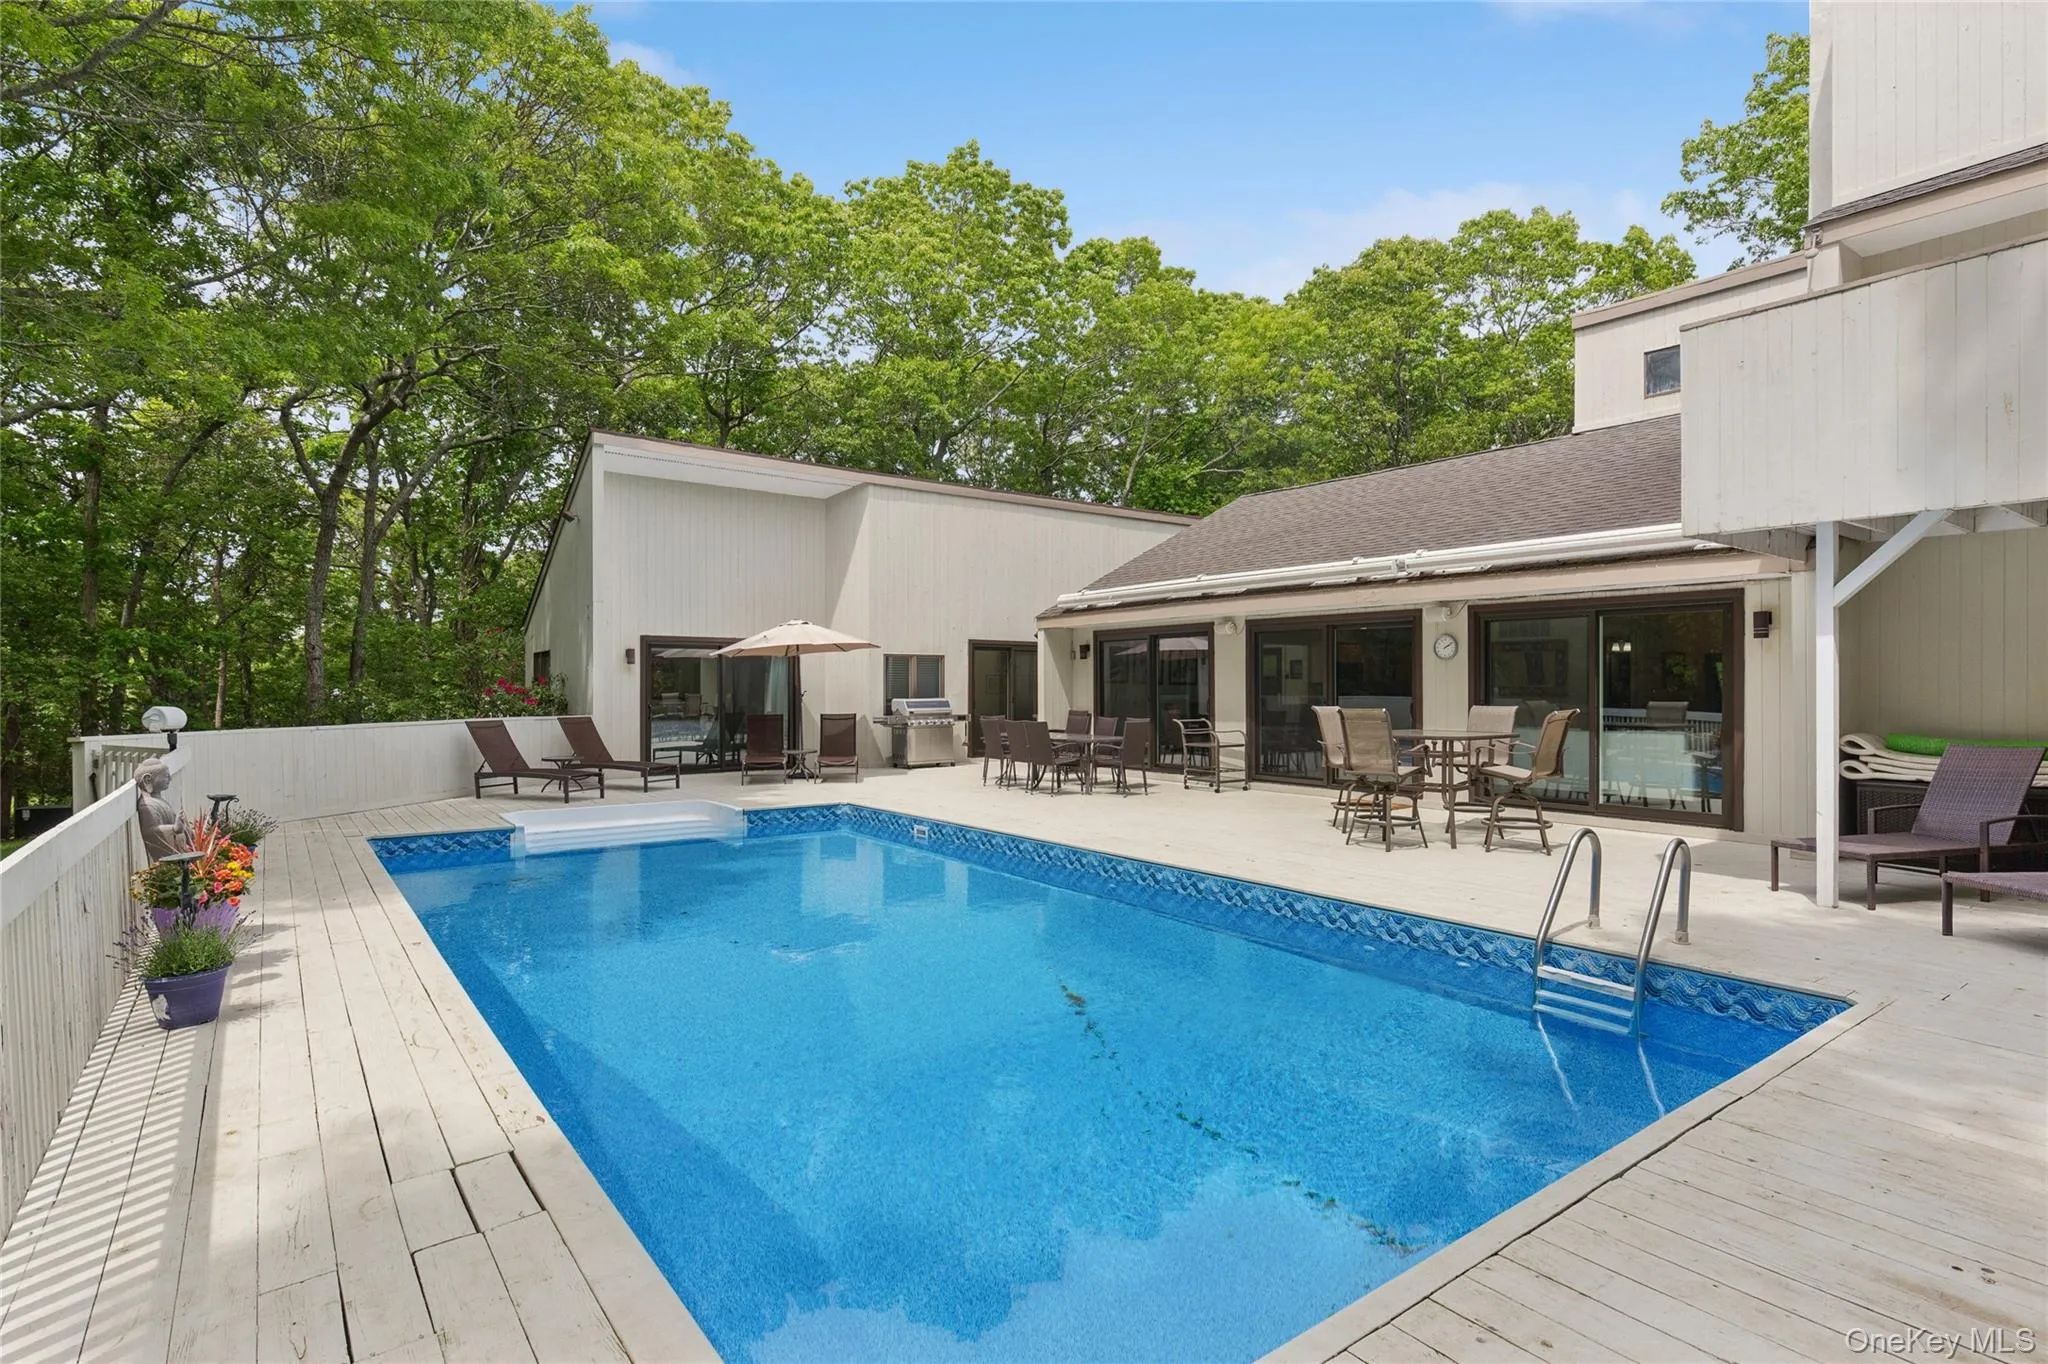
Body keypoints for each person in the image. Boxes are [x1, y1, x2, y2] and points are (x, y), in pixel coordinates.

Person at [133, 759, 192, 862]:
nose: (170, 779)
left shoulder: (158, 800)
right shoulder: (147, 805)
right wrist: (174, 829)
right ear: (148, 780)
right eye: (166, 776)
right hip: (165, 857)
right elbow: (150, 832)